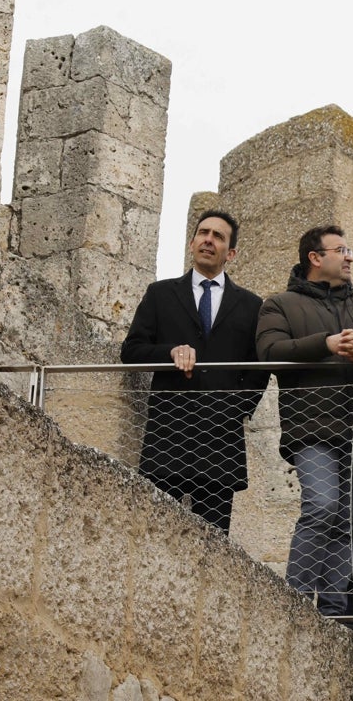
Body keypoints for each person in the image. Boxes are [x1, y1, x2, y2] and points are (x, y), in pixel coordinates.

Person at [256, 225, 353, 621]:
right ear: (315, 258)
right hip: (311, 428)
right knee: (322, 506)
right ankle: (295, 604)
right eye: (342, 249)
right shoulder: (280, 304)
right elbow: (269, 352)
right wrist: (326, 344)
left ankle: (334, 612)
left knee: (351, 520)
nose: (350, 256)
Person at [120, 210, 269, 533]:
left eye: (218, 236)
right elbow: (131, 351)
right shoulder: (160, 294)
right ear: (191, 243)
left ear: (231, 252)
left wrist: (235, 410)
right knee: (156, 536)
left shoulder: (251, 305)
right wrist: (168, 352)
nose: (208, 240)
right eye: (203, 233)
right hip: (168, 435)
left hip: (221, 439)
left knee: (213, 546)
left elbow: (259, 368)